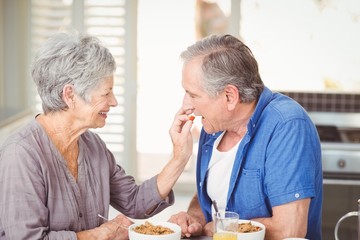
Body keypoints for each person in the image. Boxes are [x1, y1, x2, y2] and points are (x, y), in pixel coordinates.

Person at [0, 32, 194, 240]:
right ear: (70, 95)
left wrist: (180, 157)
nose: (114, 102)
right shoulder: (20, 154)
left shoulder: (93, 145)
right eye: (106, 93)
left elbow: (135, 202)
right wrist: (99, 235)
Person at [168, 34, 323, 240]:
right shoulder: (213, 127)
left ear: (230, 97)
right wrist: (195, 218)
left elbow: (289, 229)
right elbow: (213, 194)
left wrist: (218, 228)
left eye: (193, 95)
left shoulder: (287, 125)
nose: (186, 105)